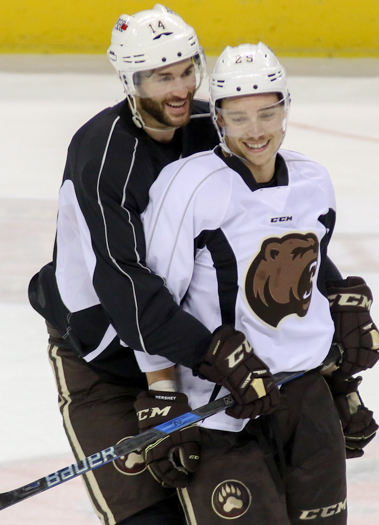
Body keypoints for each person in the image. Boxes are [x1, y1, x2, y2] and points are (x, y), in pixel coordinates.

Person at [27, 6, 280, 525]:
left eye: (187, 70)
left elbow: (269, 224)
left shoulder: (212, 130)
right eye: (163, 76)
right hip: (104, 358)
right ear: (131, 79)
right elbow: (125, 284)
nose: (181, 87)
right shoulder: (102, 155)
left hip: (195, 351)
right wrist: (168, 389)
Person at [141, 43, 379, 525]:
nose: (255, 131)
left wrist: (342, 384)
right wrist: (165, 399)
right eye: (239, 117)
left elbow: (309, 292)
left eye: (267, 114)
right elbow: (154, 301)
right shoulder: (190, 185)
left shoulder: (314, 181)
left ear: (286, 110)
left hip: (307, 402)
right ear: (219, 121)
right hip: (224, 410)